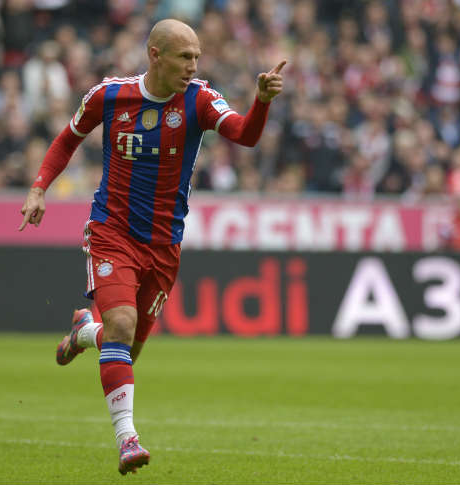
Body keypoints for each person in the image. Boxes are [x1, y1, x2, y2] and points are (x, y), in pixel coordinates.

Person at [18, 18, 285, 475]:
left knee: (126, 347)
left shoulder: (200, 99)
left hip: (164, 245)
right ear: (155, 55)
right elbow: (67, 140)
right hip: (112, 231)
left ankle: (84, 332)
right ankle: (128, 440)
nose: (193, 66)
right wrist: (39, 187)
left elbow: (245, 134)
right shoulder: (109, 96)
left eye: (197, 57)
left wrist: (261, 101)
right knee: (121, 326)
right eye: (185, 57)